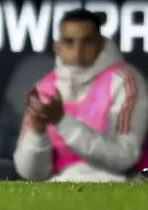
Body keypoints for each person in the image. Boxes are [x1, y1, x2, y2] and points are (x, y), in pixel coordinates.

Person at [14, 9, 148, 182]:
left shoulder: (125, 81)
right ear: (57, 46)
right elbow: (32, 174)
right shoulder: (45, 88)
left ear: (100, 43)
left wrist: (62, 121)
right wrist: (38, 131)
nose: (78, 52)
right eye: (69, 42)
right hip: (60, 190)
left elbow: (124, 157)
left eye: (87, 42)